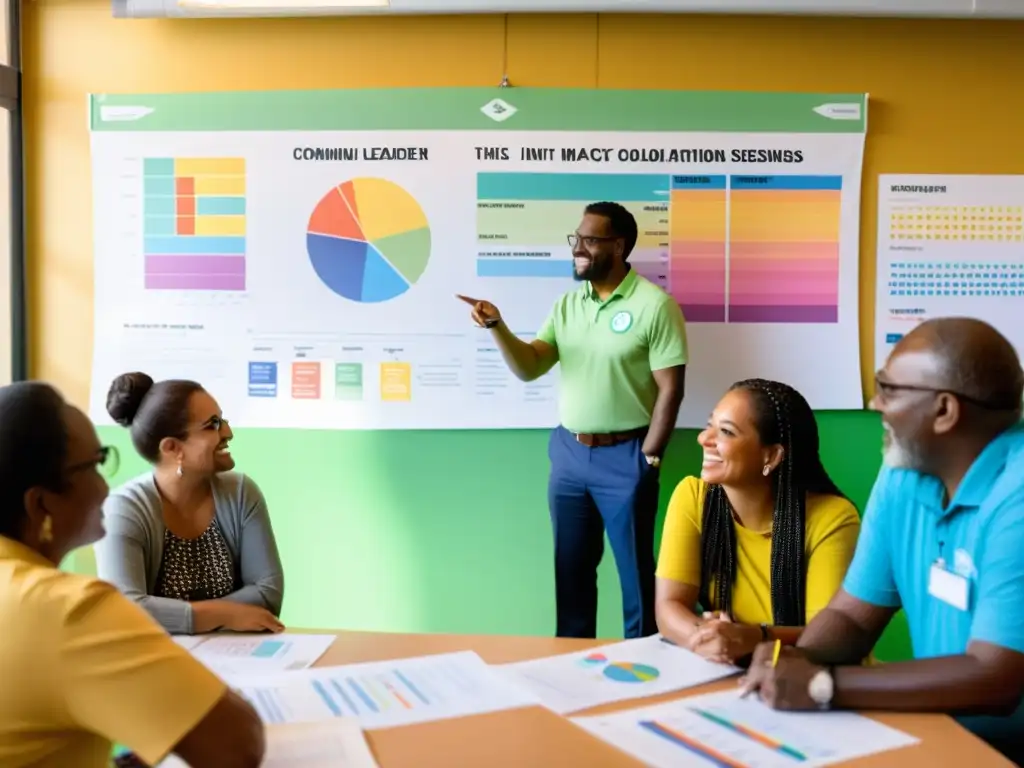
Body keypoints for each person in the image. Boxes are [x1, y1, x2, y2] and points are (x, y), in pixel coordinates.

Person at [740, 317, 1024, 764]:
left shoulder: (1018, 494)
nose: (876, 403)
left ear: (945, 411)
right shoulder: (903, 473)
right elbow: (852, 615)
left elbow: (997, 677)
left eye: (889, 390)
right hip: (947, 739)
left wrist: (824, 685)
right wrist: (796, 662)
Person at [0, 381, 265, 767]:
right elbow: (238, 746)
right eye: (95, 463)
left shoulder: (239, 492)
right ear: (41, 504)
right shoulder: (71, 611)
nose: (106, 486)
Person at [458, 201, 688, 639]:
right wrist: (496, 326)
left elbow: (671, 389)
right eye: (576, 239)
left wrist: (651, 459)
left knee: (636, 576)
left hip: (627, 455)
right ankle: (572, 665)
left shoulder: (655, 306)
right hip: (568, 455)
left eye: (589, 240)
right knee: (571, 572)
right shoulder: (567, 305)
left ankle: (647, 665)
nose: (578, 248)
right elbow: (530, 367)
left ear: (618, 246)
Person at [655, 378, 860, 664]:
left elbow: (825, 636)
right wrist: (709, 639)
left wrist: (753, 637)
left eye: (726, 432)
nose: (704, 438)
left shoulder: (832, 519)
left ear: (772, 456)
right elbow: (669, 605)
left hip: (812, 676)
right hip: (730, 672)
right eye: (709, 424)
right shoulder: (692, 497)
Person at [95, 372, 285, 636]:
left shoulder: (241, 493)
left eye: (223, 420)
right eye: (212, 425)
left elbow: (268, 592)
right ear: (173, 448)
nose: (227, 432)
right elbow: (124, 611)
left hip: (239, 658)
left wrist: (167, 614)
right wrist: (226, 614)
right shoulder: (123, 509)